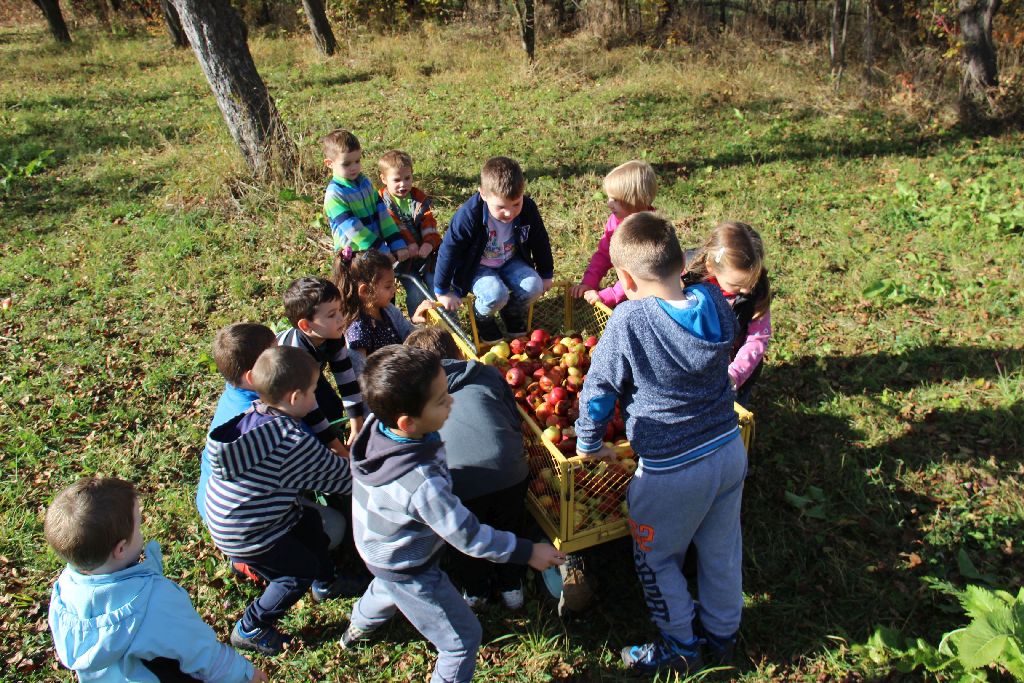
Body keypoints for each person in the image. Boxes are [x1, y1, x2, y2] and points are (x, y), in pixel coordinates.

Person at [573, 212, 746, 675]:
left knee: (658, 559)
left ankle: (681, 647)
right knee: (721, 549)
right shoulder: (713, 298)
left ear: (625, 278)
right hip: (728, 449)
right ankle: (723, 635)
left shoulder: (629, 320)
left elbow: (598, 391)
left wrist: (588, 445)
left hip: (671, 470)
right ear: (680, 262)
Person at [341, 345, 565, 682]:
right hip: (408, 563)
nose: (452, 402)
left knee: (387, 586)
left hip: (377, 543)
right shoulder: (421, 484)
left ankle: (356, 627)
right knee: (461, 642)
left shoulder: (379, 426)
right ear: (408, 420)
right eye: (442, 399)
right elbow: (469, 536)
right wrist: (527, 550)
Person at [205, 346, 366, 655]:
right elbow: (344, 480)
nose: (315, 399)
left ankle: (327, 581)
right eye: (312, 392)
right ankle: (251, 626)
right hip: (250, 530)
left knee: (309, 524)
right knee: (295, 574)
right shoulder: (290, 442)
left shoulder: (257, 417)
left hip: (238, 515)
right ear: (295, 398)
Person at [46, 477, 267, 683]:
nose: (141, 532)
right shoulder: (154, 601)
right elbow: (199, 650)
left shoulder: (64, 591)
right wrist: (245, 673)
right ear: (121, 549)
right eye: (138, 526)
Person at [404, 326, 529, 610]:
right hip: (509, 470)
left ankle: (476, 590)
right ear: (459, 352)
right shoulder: (487, 373)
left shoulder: (417, 396)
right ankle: (512, 586)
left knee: (464, 534)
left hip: (458, 481)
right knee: (511, 526)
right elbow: (513, 417)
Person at [433, 156, 554, 343]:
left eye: (516, 204)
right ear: (483, 194)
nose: (509, 213)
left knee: (534, 286)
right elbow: (449, 249)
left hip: (511, 260)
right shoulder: (469, 216)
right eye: (501, 207)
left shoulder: (528, 209)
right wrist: (442, 289)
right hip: (477, 266)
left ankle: (511, 312)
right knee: (495, 294)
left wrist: (546, 272)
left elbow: (540, 240)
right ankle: (483, 319)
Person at [683, 221, 772, 407]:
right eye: (737, 285)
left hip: (735, 371)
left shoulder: (757, 292)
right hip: (693, 365)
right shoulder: (686, 277)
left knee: (729, 410)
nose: (747, 290)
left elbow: (757, 338)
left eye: (752, 281)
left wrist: (735, 374)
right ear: (711, 268)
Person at [196, 323, 276, 524]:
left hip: (211, 502)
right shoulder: (259, 419)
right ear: (252, 376)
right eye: (275, 355)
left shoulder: (236, 391)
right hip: (238, 519)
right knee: (335, 527)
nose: (284, 356)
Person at [277, 276, 365, 449]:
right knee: (309, 423)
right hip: (285, 388)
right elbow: (311, 411)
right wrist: (340, 451)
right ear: (305, 326)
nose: (341, 318)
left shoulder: (333, 335)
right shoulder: (295, 356)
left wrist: (357, 426)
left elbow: (346, 380)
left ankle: (337, 434)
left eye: (340, 310)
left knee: (332, 405)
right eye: (332, 315)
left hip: (311, 375)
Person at [570, 160, 658, 308]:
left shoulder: (648, 231)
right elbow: (604, 254)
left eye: (615, 200)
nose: (609, 203)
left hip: (655, 289)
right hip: (632, 283)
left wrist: (607, 296)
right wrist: (589, 283)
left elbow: (637, 275)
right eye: (609, 197)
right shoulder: (616, 220)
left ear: (635, 200)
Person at [333, 249, 425, 377]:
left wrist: (417, 322)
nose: (394, 290)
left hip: (407, 372)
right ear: (365, 291)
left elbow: (408, 334)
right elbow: (361, 376)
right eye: (388, 286)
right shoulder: (358, 330)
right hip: (388, 387)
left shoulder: (388, 310)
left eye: (393, 284)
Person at [321, 129, 409, 261]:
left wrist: (396, 243)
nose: (354, 167)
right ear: (329, 163)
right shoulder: (335, 195)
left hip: (375, 250)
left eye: (357, 161)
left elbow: (382, 214)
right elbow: (353, 229)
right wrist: (381, 250)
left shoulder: (365, 183)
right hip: (354, 256)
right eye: (346, 163)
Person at [378, 149, 441, 316]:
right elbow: (392, 226)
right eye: (397, 180)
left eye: (407, 178)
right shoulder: (382, 203)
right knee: (416, 292)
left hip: (425, 255)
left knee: (438, 285)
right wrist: (408, 245)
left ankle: (449, 324)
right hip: (402, 258)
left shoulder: (418, 198)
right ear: (384, 179)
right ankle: (418, 324)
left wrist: (429, 242)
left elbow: (429, 222)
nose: (403, 184)